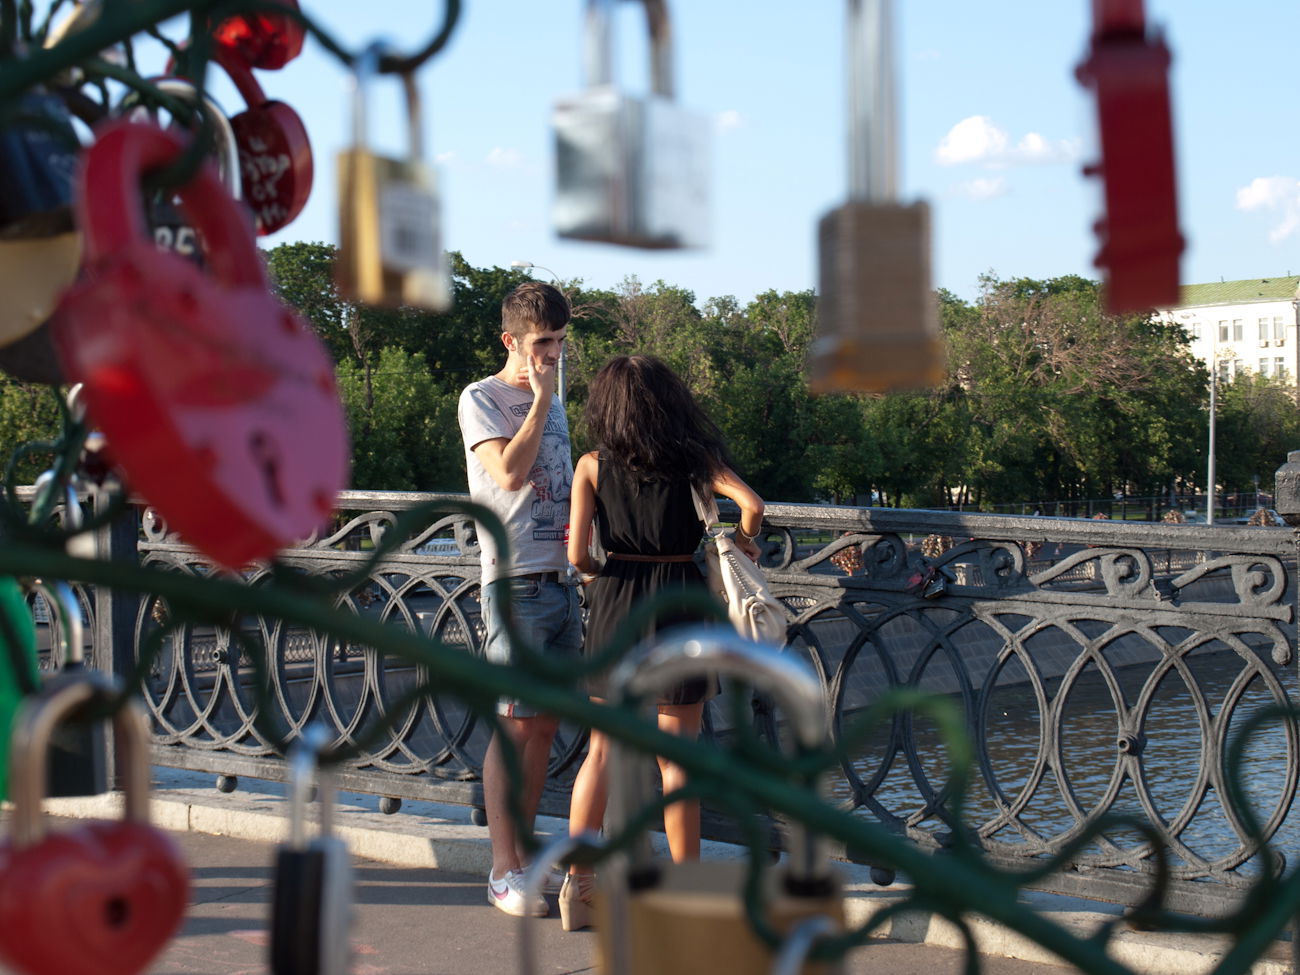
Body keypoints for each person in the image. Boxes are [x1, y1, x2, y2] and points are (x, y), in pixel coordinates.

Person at [559, 355, 765, 931]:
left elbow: (578, 555)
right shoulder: (696, 462)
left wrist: (604, 575)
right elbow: (752, 505)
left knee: (599, 753)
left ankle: (581, 887)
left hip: (616, 603)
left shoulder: (593, 465)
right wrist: (744, 543)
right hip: (678, 602)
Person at [457, 281, 581, 918]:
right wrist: (537, 401)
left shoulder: (552, 400)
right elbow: (508, 473)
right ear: (512, 341)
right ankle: (502, 868)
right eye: (542, 344)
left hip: (561, 581)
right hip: (513, 585)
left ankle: (525, 855)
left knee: (543, 727)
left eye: (559, 343)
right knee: (513, 727)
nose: (553, 355)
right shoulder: (481, 398)